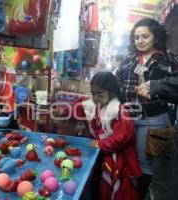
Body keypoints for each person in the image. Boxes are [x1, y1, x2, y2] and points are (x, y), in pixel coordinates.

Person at [116, 18, 178, 200]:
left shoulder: (168, 60)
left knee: (145, 163)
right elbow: (118, 83)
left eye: (145, 36)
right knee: (123, 155)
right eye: (136, 37)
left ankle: (138, 194)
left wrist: (158, 86)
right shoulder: (128, 61)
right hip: (126, 117)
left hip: (153, 118)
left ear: (155, 37)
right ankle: (122, 189)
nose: (140, 41)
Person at [56, 71, 142, 200]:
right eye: (93, 94)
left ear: (112, 92)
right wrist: (63, 111)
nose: (95, 98)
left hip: (118, 160)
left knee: (113, 191)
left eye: (99, 94)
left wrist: (100, 144)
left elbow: (122, 137)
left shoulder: (120, 111)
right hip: (102, 153)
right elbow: (79, 108)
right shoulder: (95, 105)